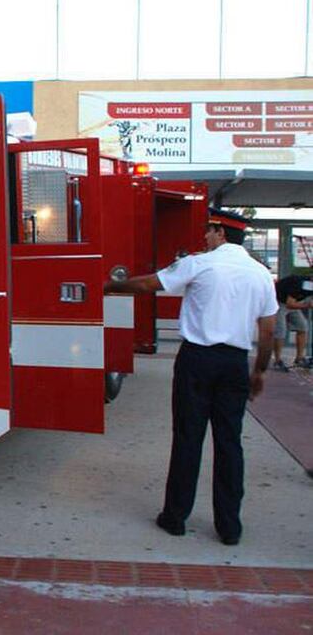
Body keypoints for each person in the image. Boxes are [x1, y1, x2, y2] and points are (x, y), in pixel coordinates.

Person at [104, 209, 277, 546]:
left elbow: (149, 284)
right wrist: (259, 372)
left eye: (208, 231)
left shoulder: (200, 264)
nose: (205, 237)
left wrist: (110, 286)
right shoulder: (260, 275)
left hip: (197, 360)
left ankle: (176, 517)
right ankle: (229, 527)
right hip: (234, 364)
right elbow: (268, 331)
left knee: (188, 438)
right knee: (230, 443)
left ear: (220, 233)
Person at [272, 273, 313, 371]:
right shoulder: (300, 284)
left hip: (293, 302)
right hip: (278, 302)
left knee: (302, 327)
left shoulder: (309, 285)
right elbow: (290, 304)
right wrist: (307, 305)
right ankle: (277, 361)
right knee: (280, 330)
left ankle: (299, 358)